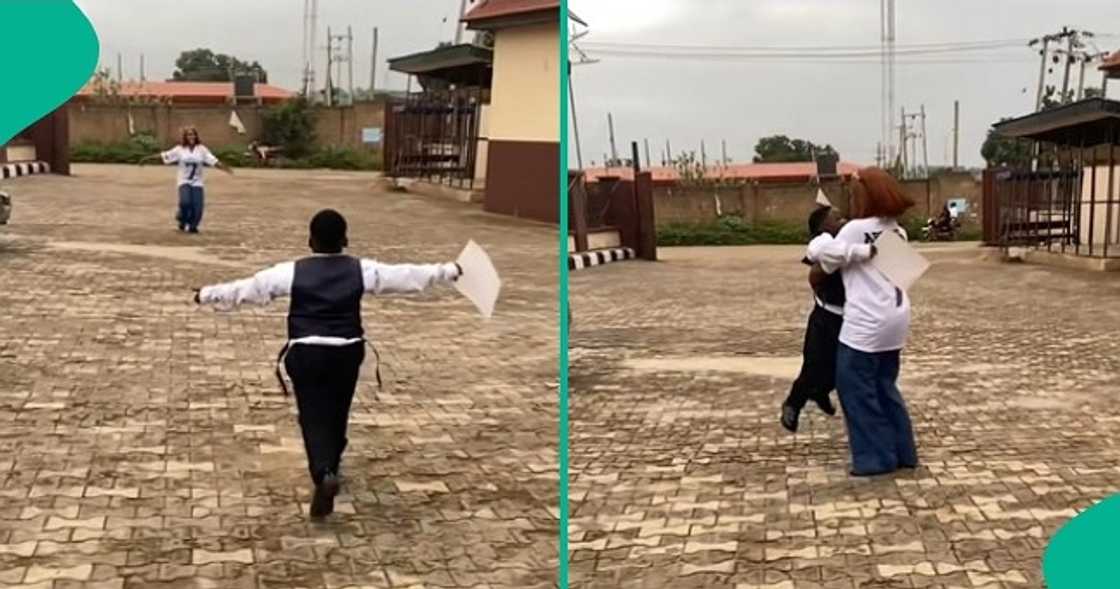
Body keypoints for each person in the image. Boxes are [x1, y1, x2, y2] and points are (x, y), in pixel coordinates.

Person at [193, 209, 463, 518]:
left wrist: (206, 294)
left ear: (310, 241)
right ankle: (332, 464)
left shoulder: (291, 271)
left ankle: (323, 472)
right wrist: (450, 270)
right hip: (347, 352)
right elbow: (407, 276)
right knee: (337, 411)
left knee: (313, 415)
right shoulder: (362, 270)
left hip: (307, 352)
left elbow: (249, 289)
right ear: (345, 240)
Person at [812, 167, 918, 477]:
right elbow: (903, 274)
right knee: (885, 386)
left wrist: (827, 246)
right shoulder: (897, 231)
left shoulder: (854, 230)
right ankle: (903, 452)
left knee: (855, 389)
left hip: (865, 320)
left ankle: (875, 458)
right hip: (895, 318)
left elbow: (823, 260)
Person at [780, 205, 876, 433]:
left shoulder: (849, 239)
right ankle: (793, 403)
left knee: (841, 367)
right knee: (814, 364)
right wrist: (865, 251)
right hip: (826, 316)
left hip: (851, 317)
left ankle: (820, 392)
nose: (844, 220)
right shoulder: (823, 242)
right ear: (823, 226)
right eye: (837, 218)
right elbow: (822, 252)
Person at [140, 126, 233, 234]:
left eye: (193, 134)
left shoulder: (202, 149)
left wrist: (226, 169)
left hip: (197, 182)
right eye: (189, 135)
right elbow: (164, 156)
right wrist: (147, 159)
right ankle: (182, 219)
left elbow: (213, 161)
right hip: (184, 180)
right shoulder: (179, 149)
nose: (191, 137)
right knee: (185, 202)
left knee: (198, 207)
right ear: (185, 137)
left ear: (196, 136)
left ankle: (193, 226)